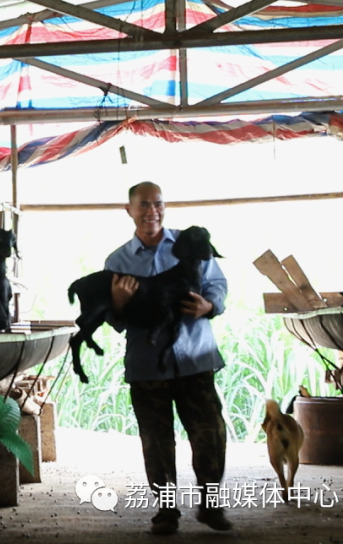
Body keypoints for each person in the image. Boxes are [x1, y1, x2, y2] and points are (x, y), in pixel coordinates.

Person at [106, 182, 231, 535]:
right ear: (128, 209)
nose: (152, 211)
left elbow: (217, 285)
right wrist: (116, 303)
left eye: (158, 204)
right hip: (147, 365)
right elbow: (114, 319)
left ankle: (211, 504)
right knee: (156, 440)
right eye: (143, 204)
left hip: (196, 358)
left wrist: (210, 306)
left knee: (210, 432)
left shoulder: (191, 243)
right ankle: (166, 510)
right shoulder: (118, 260)